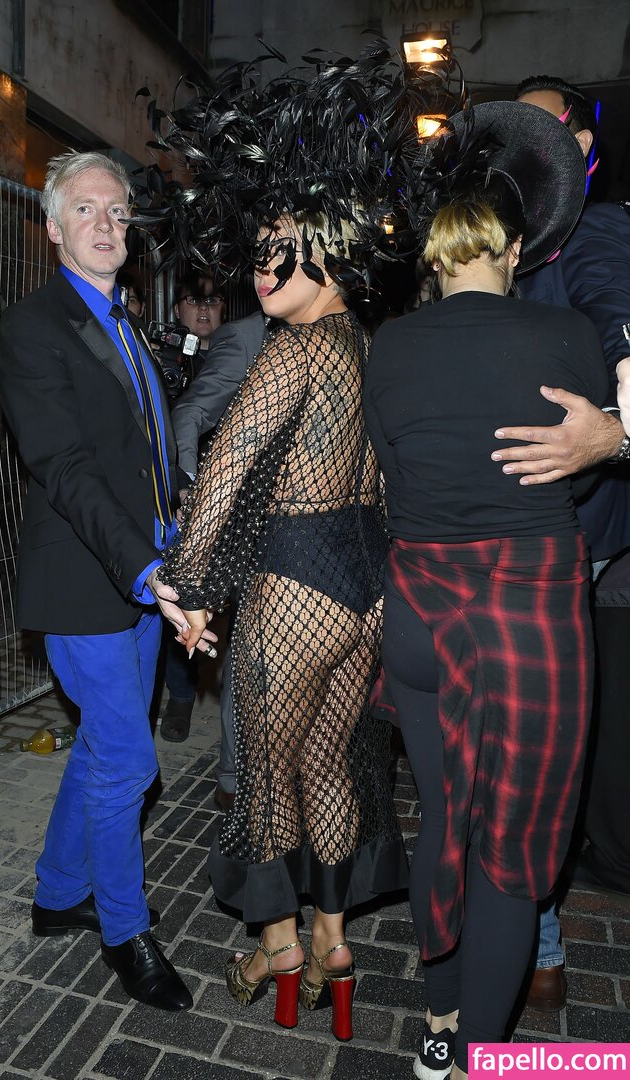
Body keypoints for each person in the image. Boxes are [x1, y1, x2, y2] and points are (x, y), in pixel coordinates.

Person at [146, 46, 413, 1040]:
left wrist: (186, 588)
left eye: (281, 251)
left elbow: (223, 472)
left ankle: (278, 948)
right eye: (257, 251)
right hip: (365, 582)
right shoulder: (365, 346)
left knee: (266, 775)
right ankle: (335, 943)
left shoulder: (292, 351)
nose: (261, 268)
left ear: (329, 253)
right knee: (331, 765)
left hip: (296, 579)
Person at [363, 101, 607, 1079]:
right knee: (511, 851)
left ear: (435, 254)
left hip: (419, 611)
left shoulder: (390, 345)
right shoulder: (564, 333)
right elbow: (576, 474)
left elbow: (390, 477)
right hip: (526, 613)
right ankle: (477, 1058)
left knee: (443, 818)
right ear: (511, 248)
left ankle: (437, 1022)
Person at [0, 150, 217, 1011]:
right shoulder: (33, 325)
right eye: (84, 209)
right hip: (89, 578)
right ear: (53, 227)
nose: (104, 224)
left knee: (98, 747)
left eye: (118, 211)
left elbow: (145, 457)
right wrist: (147, 567)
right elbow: (64, 465)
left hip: (146, 577)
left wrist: (178, 534)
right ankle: (126, 933)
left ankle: (59, 894)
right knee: (129, 761)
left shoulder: (129, 323)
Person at [490, 75, 630, 1009]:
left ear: (581, 148)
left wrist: (613, 437)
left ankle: (536, 946)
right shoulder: (508, 241)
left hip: (571, 546)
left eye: (538, 129)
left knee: (538, 743)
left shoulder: (595, 231)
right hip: (502, 534)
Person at [171, 309, 269, 806]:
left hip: (334, 531)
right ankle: (233, 781)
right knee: (251, 653)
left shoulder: (356, 328)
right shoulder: (247, 336)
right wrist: (190, 491)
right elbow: (190, 413)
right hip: (253, 527)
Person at [158, 271, 227, 742]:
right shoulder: (158, 358)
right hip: (179, 494)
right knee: (179, 594)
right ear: (177, 308)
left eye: (213, 300)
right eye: (193, 300)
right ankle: (180, 697)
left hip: (232, 495)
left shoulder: (244, 354)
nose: (203, 309)